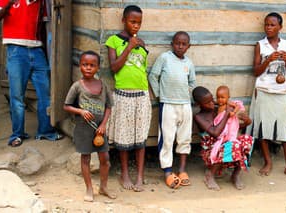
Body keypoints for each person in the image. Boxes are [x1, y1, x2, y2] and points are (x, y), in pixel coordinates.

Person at [0, 0, 62, 147]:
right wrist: (8, 5)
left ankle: (45, 131)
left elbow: (43, 29)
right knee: (17, 96)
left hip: (37, 50)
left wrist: (46, 52)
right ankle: (17, 134)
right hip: (15, 49)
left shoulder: (41, 3)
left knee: (45, 94)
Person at [246, 12, 286, 182]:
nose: (268, 28)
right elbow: (255, 71)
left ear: (280, 27)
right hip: (263, 91)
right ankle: (268, 162)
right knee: (263, 129)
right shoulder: (260, 45)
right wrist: (268, 60)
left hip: (281, 93)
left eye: (272, 25)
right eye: (266, 25)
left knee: (285, 129)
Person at [106, 5, 151, 192]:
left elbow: (142, 70)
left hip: (141, 95)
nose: (136, 26)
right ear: (123, 20)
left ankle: (140, 175)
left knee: (140, 138)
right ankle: (124, 173)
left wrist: (137, 45)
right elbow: (114, 67)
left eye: (139, 22)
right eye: (133, 21)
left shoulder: (141, 43)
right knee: (124, 138)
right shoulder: (113, 41)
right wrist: (130, 46)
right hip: (123, 95)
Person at [64, 50, 116, 202]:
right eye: (85, 64)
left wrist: (104, 124)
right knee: (85, 158)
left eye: (92, 65)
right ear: (80, 66)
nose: (88, 68)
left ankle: (104, 187)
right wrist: (80, 111)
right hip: (83, 128)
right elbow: (66, 106)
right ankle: (89, 188)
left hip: (99, 129)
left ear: (98, 68)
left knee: (105, 158)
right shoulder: (77, 86)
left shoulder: (103, 85)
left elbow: (108, 106)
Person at [148, 31, 196, 189]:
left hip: (185, 105)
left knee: (185, 137)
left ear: (188, 46)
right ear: (172, 44)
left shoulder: (188, 63)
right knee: (167, 138)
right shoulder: (165, 58)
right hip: (167, 104)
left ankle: (182, 169)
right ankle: (168, 171)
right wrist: (160, 96)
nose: (180, 46)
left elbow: (192, 82)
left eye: (184, 44)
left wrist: (185, 94)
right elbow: (153, 76)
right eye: (177, 43)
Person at [193, 86, 253, 190]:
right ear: (199, 104)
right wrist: (226, 114)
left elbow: (231, 128)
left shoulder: (219, 107)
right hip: (212, 149)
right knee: (233, 145)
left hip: (226, 141)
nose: (212, 103)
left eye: (212, 99)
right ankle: (210, 176)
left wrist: (247, 122)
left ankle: (235, 175)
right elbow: (216, 133)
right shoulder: (199, 117)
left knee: (246, 141)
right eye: (208, 102)